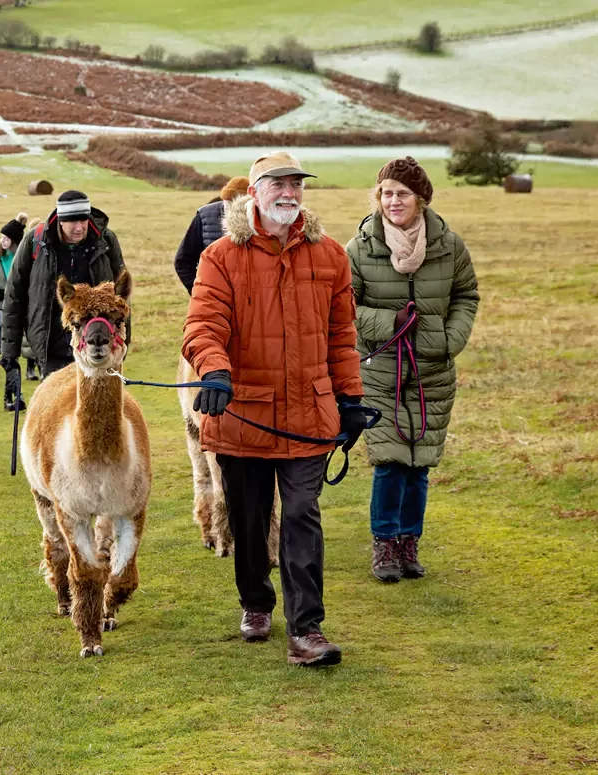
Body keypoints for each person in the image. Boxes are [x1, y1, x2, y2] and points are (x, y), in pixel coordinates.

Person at [183, 152, 364, 667]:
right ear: (254, 192)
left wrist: (350, 399)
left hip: (309, 412)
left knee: (303, 515)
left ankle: (307, 629)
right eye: (278, 184)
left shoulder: (329, 254)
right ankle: (255, 601)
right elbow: (202, 326)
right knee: (248, 515)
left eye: (296, 185)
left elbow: (341, 336)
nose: (289, 193)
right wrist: (215, 371)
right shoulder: (220, 255)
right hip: (244, 413)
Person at [346, 157, 479, 583]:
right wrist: (388, 324)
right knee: (389, 459)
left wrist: (448, 339)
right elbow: (344, 306)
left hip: (432, 370)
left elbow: (466, 295)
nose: (393, 201)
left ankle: (408, 542)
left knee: (420, 461)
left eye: (402, 193)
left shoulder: (449, 245)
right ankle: (384, 544)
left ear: (420, 199)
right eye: (386, 193)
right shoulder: (360, 247)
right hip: (381, 367)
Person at [0, 190, 128, 396]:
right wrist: (9, 355)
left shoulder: (106, 241)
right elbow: (14, 295)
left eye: (83, 221)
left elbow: (121, 298)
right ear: (60, 221)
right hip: (52, 347)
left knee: (98, 410)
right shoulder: (36, 241)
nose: (79, 228)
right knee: (57, 410)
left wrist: (123, 342)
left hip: (98, 343)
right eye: (72, 222)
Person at [0, 213, 35, 409]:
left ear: (15, 241)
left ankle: (23, 390)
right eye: (2, 236)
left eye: (7, 238)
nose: (2, 241)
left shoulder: (26, 257)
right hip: (0, 313)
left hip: (24, 312)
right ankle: (12, 397)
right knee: (9, 357)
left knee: (27, 351)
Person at [173, 176, 249, 293]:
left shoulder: (262, 219)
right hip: (215, 298)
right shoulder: (204, 216)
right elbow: (183, 261)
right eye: (227, 203)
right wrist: (201, 293)